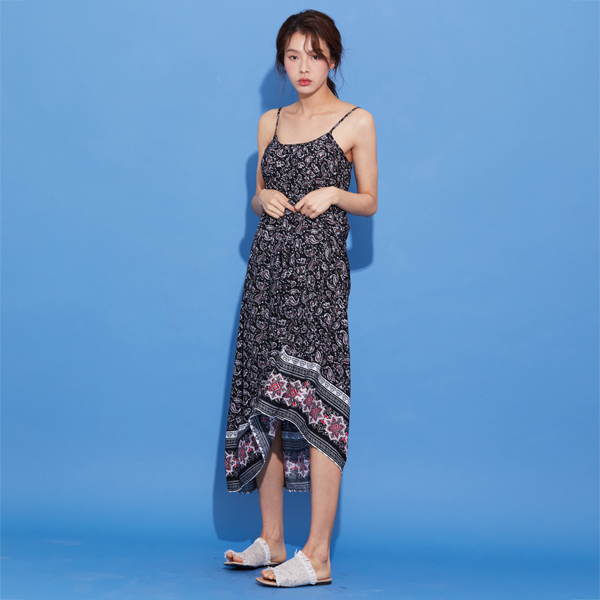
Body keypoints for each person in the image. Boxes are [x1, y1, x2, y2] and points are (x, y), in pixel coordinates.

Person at [223, 9, 378, 588]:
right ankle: (272, 539)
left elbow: (370, 200)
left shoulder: (356, 121)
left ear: (332, 58)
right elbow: (261, 192)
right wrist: (260, 200)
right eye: (292, 56)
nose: (303, 67)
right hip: (266, 274)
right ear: (282, 62)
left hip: (318, 278)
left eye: (314, 55)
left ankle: (318, 555)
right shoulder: (270, 122)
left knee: (316, 401)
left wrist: (335, 192)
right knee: (265, 396)